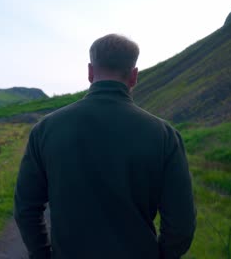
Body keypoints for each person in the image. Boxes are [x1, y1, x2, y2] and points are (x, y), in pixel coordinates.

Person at [14, 34, 196, 259]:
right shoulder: (164, 135)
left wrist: (42, 254)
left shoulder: (45, 129)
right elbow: (181, 224)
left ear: (90, 72)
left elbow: (26, 209)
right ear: (134, 76)